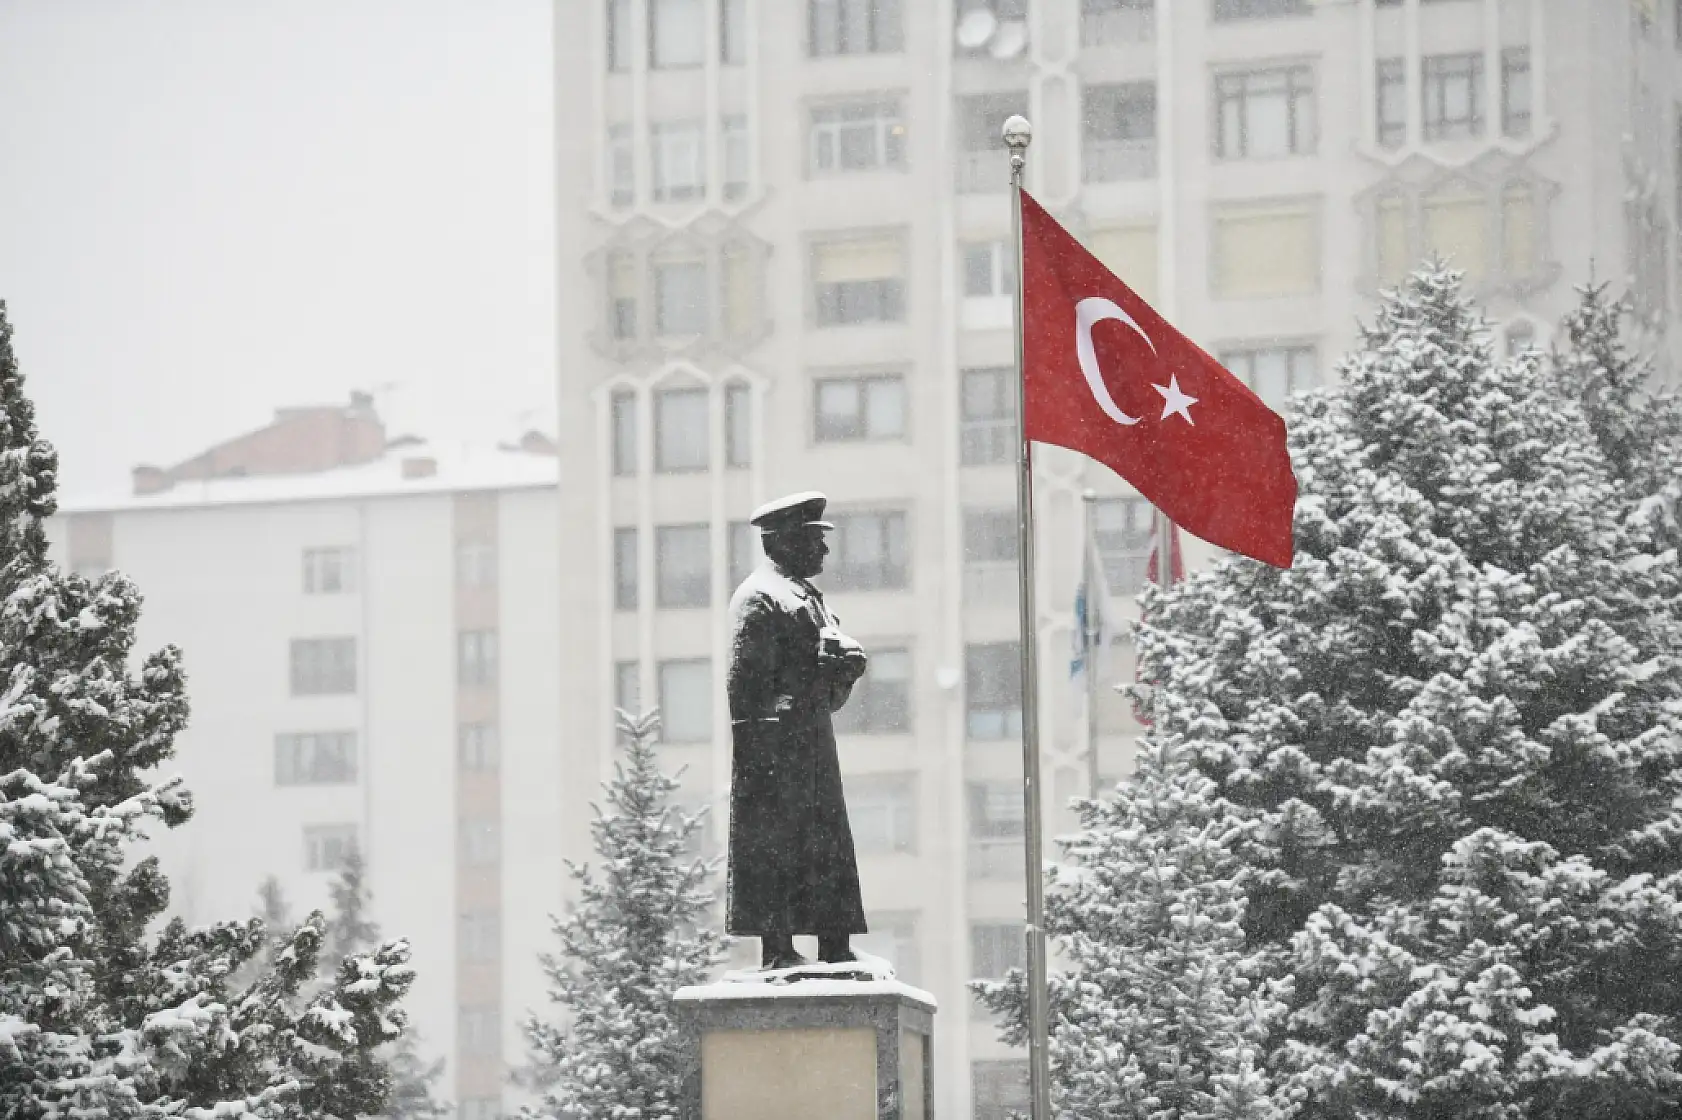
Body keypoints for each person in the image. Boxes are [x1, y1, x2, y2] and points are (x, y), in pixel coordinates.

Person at [724, 491, 870, 970]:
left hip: (808, 746)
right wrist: (813, 675)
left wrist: (843, 671)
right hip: (774, 753)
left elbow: (821, 693)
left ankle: (835, 944)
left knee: (826, 845)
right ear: (785, 542)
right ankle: (779, 948)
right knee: (778, 850)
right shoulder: (759, 598)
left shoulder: (805, 598)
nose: (824, 551)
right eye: (815, 541)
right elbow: (746, 688)